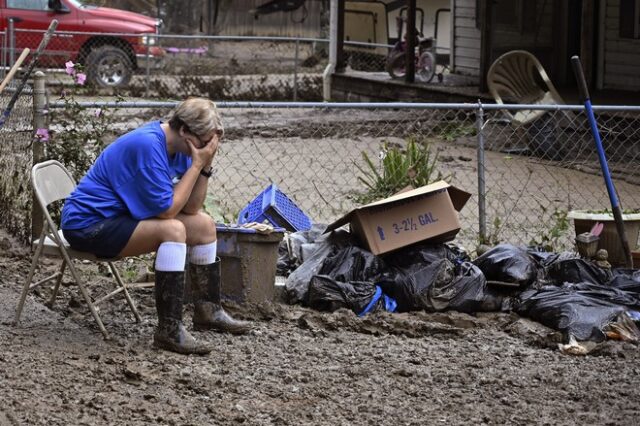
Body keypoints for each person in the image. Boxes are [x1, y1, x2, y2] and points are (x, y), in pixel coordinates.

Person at [60, 97, 250, 355]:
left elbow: (191, 208)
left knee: (204, 225)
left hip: (121, 217)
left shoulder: (181, 148)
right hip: (89, 224)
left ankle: (208, 310)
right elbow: (168, 211)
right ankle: (168, 331)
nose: (208, 147)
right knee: (172, 230)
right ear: (184, 130)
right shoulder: (148, 146)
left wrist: (205, 166)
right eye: (205, 141)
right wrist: (197, 164)